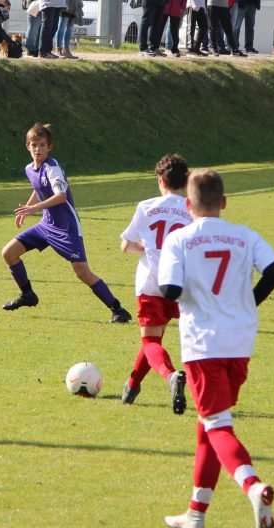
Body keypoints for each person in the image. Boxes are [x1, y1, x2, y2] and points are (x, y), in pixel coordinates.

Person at [158, 169, 274, 528]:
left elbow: (168, 289)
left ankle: (252, 487)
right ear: (224, 202)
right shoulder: (245, 235)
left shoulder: (179, 239)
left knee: (217, 427)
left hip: (202, 344)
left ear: (187, 204)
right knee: (208, 426)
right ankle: (195, 516)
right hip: (240, 342)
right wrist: (247, 302)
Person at [1, 123, 132, 324]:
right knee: (9, 253)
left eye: (42, 145)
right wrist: (26, 210)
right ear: (27, 146)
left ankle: (118, 309)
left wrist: (33, 209)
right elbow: (39, 188)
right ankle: (28, 295)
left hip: (66, 228)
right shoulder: (30, 168)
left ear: (49, 147)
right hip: (46, 225)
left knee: (82, 272)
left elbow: (61, 196)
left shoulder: (53, 168)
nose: (38, 149)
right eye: (34, 144)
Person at [120, 154, 191, 414]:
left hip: (151, 283)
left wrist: (145, 247)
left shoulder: (146, 206)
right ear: (185, 182)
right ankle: (131, 386)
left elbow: (126, 244)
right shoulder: (191, 208)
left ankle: (171, 376)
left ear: (161, 181)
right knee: (154, 342)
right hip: (181, 284)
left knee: (151, 343)